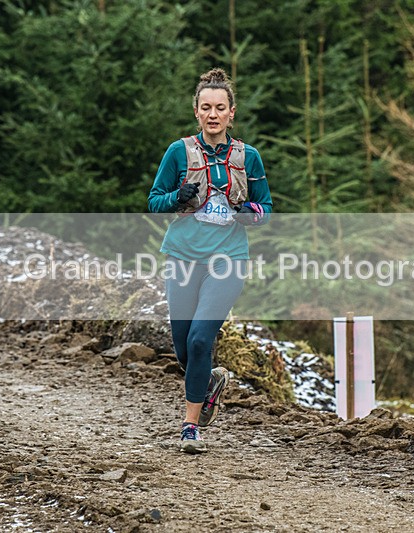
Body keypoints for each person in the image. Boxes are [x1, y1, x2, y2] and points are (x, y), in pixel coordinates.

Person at [147, 68, 272, 454]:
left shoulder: (247, 157)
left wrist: (247, 211)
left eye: (220, 107)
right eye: (206, 108)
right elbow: (154, 201)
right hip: (183, 257)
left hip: (228, 259)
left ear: (231, 112)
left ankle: (190, 427)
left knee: (202, 340)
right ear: (197, 112)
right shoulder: (178, 152)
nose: (213, 114)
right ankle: (210, 381)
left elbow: (265, 208)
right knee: (184, 348)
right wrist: (177, 199)